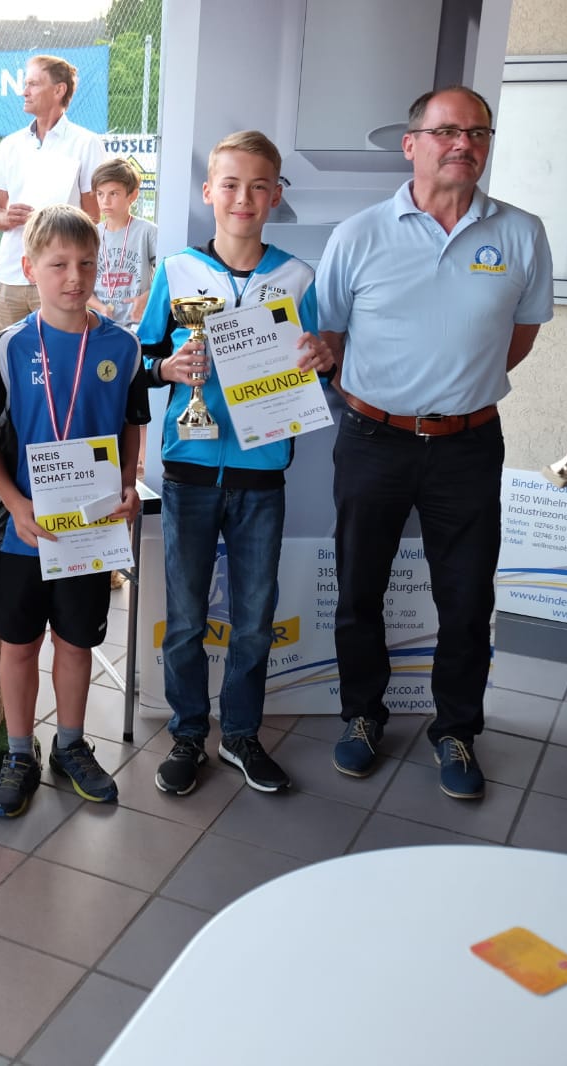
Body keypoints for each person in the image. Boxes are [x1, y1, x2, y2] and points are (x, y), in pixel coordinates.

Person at [315, 86, 554, 801]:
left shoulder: (522, 233)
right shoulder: (359, 234)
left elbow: (518, 337)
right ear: (411, 143)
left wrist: (456, 388)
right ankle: (362, 716)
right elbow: (329, 337)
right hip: (371, 438)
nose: (463, 144)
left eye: (477, 133)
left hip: (468, 445)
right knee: (359, 589)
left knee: (467, 597)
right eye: (447, 131)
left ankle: (456, 730)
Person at [137, 131, 331, 797]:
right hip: (189, 470)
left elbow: (316, 369)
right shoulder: (176, 271)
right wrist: (166, 367)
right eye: (230, 184)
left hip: (261, 475)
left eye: (258, 186)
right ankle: (189, 733)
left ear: (275, 196)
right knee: (186, 619)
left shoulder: (298, 278)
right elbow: (143, 357)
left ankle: (241, 734)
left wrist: (320, 362)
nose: (243, 198)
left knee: (253, 618)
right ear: (208, 192)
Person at [0, 203, 149, 816]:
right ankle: (19, 753)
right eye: (58, 264)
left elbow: (131, 426)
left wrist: (127, 484)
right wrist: (14, 501)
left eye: (86, 264)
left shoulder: (124, 348)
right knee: (19, 644)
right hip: (24, 531)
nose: (74, 277)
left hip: (91, 529)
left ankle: (70, 744)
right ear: (29, 268)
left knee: (75, 642)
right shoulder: (9, 347)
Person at [0, 55, 106, 332]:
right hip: (10, 277)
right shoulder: (10, 145)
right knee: (3, 353)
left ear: (59, 89)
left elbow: (94, 216)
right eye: (25, 84)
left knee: (58, 353)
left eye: (33, 84)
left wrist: (55, 229)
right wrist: (5, 217)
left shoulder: (86, 143)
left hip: (59, 280)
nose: (24, 91)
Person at [89, 158, 157, 329]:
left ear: (133, 195)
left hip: (139, 324)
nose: (105, 201)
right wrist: (100, 308)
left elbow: (166, 277)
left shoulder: (147, 232)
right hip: (102, 324)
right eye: (100, 194)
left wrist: (147, 297)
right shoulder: (91, 235)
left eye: (114, 193)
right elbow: (82, 285)